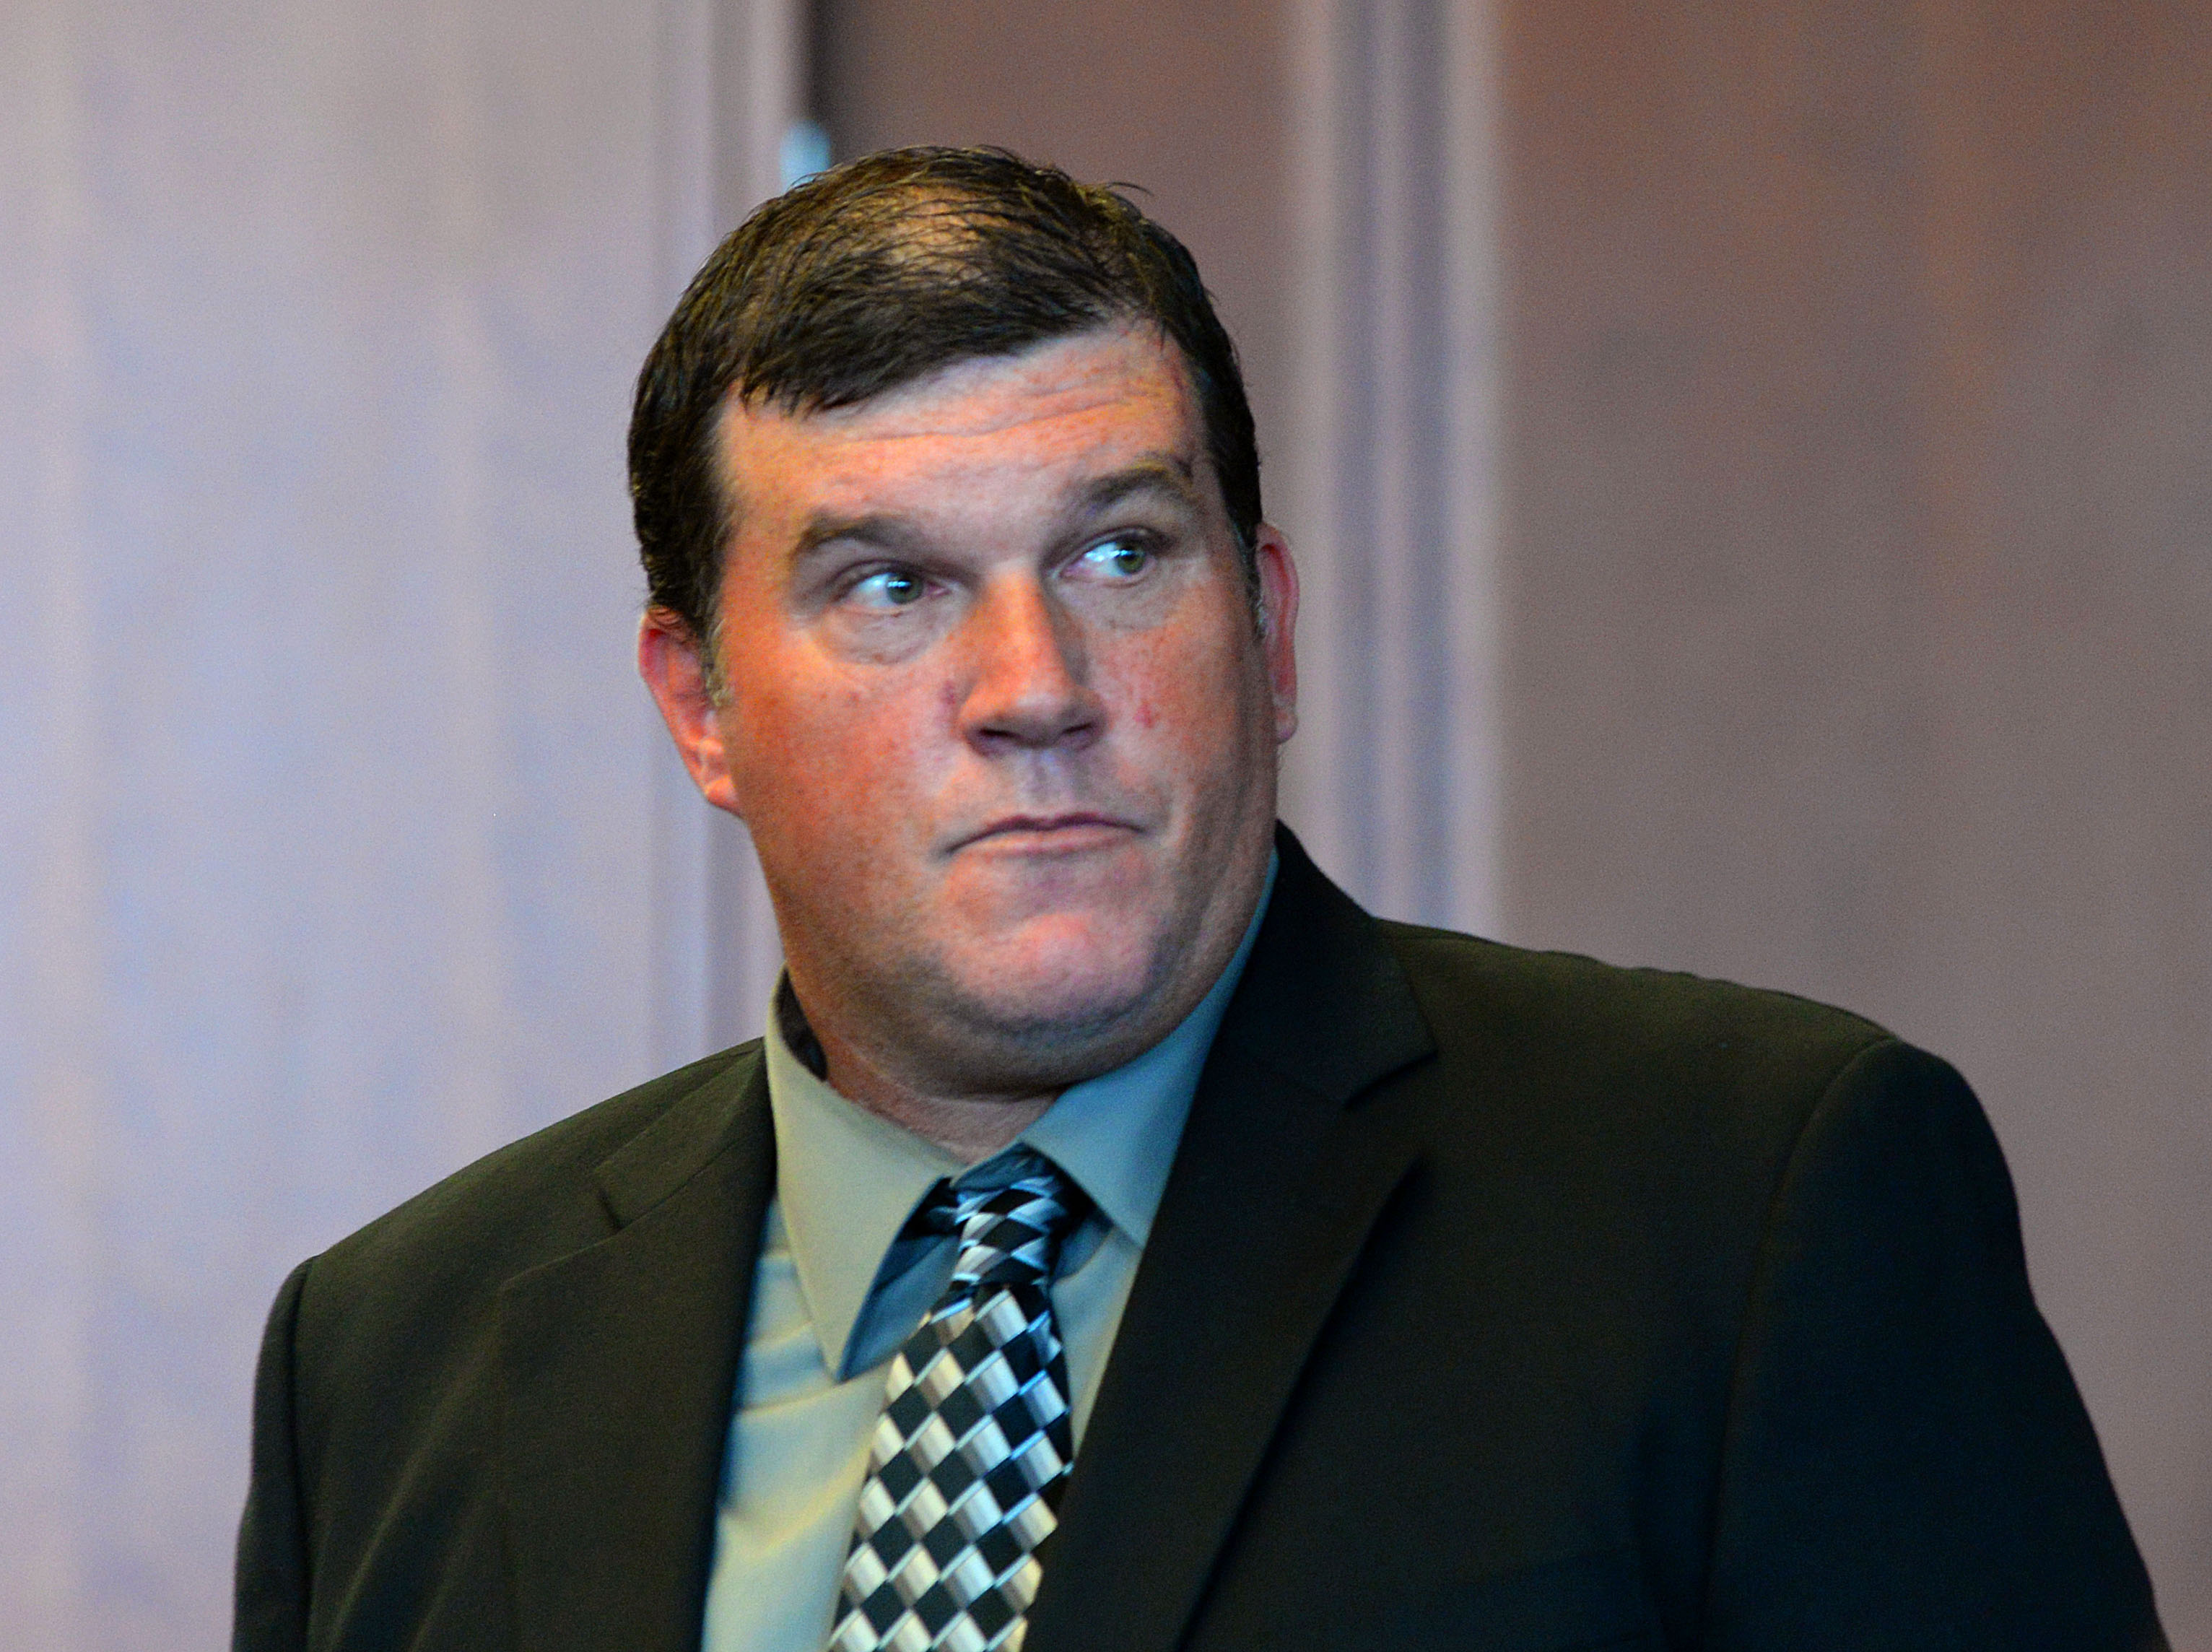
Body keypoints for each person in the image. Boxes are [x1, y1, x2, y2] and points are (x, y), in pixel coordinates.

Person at [232, 147, 2167, 1652]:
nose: (1035, 686)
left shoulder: (1750, 1212)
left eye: (1122, 553)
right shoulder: (391, 1365)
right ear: (700, 706)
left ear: (1269, 623)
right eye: (891, 588)